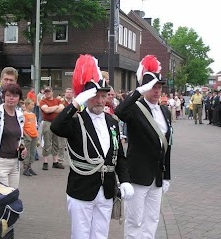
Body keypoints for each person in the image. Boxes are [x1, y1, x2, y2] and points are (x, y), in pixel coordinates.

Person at [50, 54, 134, 239]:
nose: (99, 100)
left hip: (106, 189)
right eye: (95, 96)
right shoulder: (76, 120)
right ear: (87, 97)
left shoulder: (112, 122)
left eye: (103, 96)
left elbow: (118, 154)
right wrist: (76, 103)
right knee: (81, 235)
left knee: (100, 235)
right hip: (82, 189)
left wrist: (125, 179)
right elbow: (56, 127)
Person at [115, 55, 172, 239]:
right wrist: (139, 91)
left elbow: (167, 145)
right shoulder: (135, 108)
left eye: (159, 87)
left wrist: (167, 175)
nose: (156, 91)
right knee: (135, 221)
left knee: (152, 219)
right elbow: (119, 111)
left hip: (157, 175)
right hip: (138, 175)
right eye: (153, 87)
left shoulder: (164, 111)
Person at [39, 86, 65, 170]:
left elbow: (62, 109)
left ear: (52, 92)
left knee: (56, 142)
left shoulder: (57, 100)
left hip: (56, 123)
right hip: (47, 122)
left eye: (49, 92)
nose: (47, 93)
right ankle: (45, 162)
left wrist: (52, 109)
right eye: (46, 92)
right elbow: (46, 110)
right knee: (47, 142)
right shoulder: (43, 101)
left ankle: (55, 161)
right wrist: (56, 107)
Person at [23, 98, 39, 176]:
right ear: (27, 105)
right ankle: (25, 167)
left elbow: (35, 125)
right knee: (27, 152)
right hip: (28, 135)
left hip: (34, 135)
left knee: (32, 152)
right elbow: (22, 126)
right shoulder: (24, 115)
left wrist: (37, 135)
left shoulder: (33, 115)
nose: (33, 106)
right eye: (32, 105)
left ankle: (29, 167)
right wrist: (26, 135)